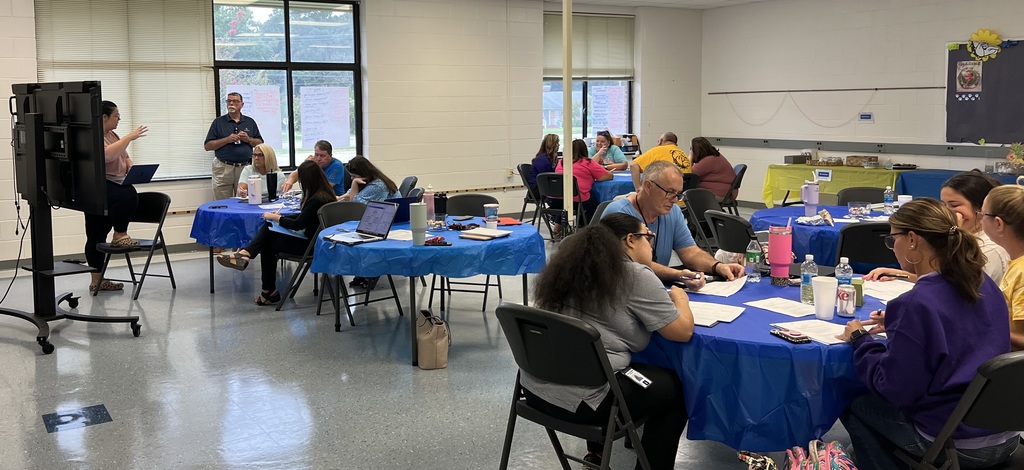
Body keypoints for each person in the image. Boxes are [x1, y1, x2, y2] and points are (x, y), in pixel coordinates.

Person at [837, 198, 1017, 470]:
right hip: (1007, 432)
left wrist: (861, 340)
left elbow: (894, 389)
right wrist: (900, 324)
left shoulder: (917, 302)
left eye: (892, 239)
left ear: (912, 240)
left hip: (955, 443)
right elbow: (964, 327)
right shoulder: (982, 283)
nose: (891, 247)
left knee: (851, 400)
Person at [521, 213, 694, 469]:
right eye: (649, 237)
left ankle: (597, 455)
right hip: (585, 402)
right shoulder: (635, 275)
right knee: (675, 391)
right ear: (630, 240)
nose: (651, 243)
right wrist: (681, 299)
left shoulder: (568, 268)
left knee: (608, 366)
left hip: (534, 390)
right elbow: (682, 332)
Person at [603, 160, 745, 286]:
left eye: (678, 194)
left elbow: (690, 252)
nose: (675, 200)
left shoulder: (673, 212)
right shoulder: (619, 213)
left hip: (655, 287)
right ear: (648, 186)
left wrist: (718, 267)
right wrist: (677, 275)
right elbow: (633, 266)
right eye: (670, 192)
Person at [216, 161, 337, 306]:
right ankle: (249, 261)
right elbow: (304, 218)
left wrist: (277, 218)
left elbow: (298, 224)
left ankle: (253, 267)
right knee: (270, 228)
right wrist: (279, 219)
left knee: (268, 243)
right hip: (321, 242)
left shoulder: (315, 200)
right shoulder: (326, 195)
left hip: (311, 247)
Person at [864, 170, 1010, 284]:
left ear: (981, 208)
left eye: (954, 205)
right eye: (943, 204)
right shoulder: (960, 239)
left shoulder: (990, 250)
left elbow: (960, 288)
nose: (947, 211)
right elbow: (944, 279)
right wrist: (902, 275)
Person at [87, 100, 146, 292]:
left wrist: (129, 163)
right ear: (104, 117)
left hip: (116, 181)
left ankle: (100, 279)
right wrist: (130, 136)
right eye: (116, 116)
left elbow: (123, 154)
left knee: (126, 193)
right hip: (99, 186)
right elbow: (107, 156)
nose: (118, 119)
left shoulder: (112, 134)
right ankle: (119, 236)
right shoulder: (93, 136)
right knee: (95, 235)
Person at [981, 184, 1024, 351]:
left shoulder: (1022, 272)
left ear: (998, 224)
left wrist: (984, 328)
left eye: (983, 214)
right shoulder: (1016, 263)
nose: (980, 219)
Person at [204, 92, 263, 200]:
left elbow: (260, 143)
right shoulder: (218, 122)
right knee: (222, 202)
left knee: (244, 200)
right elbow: (208, 146)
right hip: (223, 168)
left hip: (245, 168)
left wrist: (248, 139)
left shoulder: (249, 122)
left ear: (242, 104)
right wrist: (227, 140)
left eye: (235, 101)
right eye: (229, 101)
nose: (231, 103)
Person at [555, 139, 612, 224]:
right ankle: (588, 226)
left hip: (557, 200)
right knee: (593, 200)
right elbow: (607, 176)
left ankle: (558, 226)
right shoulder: (587, 162)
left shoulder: (562, 162)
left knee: (566, 197)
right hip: (577, 201)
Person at [281, 140, 347, 196]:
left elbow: (325, 188)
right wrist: (290, 181)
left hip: (332, 199)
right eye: (316, 155)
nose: (318, 159)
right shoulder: (313, 162)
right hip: (313, 197)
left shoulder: (337, 166)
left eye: (322, 156)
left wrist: (311, 167)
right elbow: (296, 173)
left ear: (330, 156)